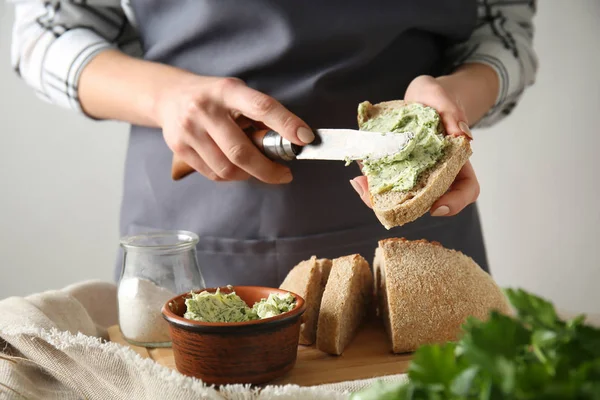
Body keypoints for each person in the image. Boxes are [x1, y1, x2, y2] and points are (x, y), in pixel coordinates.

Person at [10, 0, 537, 288]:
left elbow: (501, 30)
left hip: (419, 241)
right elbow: (46, 35)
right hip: (197, 234)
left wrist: (451, 104)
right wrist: (167, 98)